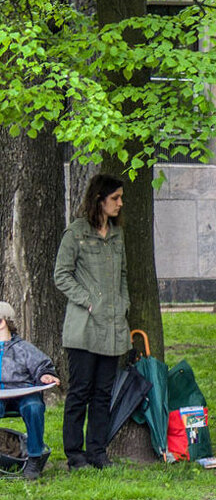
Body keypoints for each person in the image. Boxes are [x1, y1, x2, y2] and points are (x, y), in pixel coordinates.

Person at [54, 173, 129, 470]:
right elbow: (61, 274)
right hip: (83, 329)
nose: (120, 204)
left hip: (112, 327)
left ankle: (97, 452)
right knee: (80, 391)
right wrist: (87, 300)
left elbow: (123, 275)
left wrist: (124, 303)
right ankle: (74, 454)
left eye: (121, 198)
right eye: (115, 198)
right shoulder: (76, 233)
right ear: (99, 199)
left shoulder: (117, 234)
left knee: (103, 394)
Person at [0, 302, 61, 480]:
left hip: (23, 394)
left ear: (2, 322)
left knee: (34, 406)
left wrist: (47, 375)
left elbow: (43, 366)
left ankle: (34, 459)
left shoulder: (24, 348)